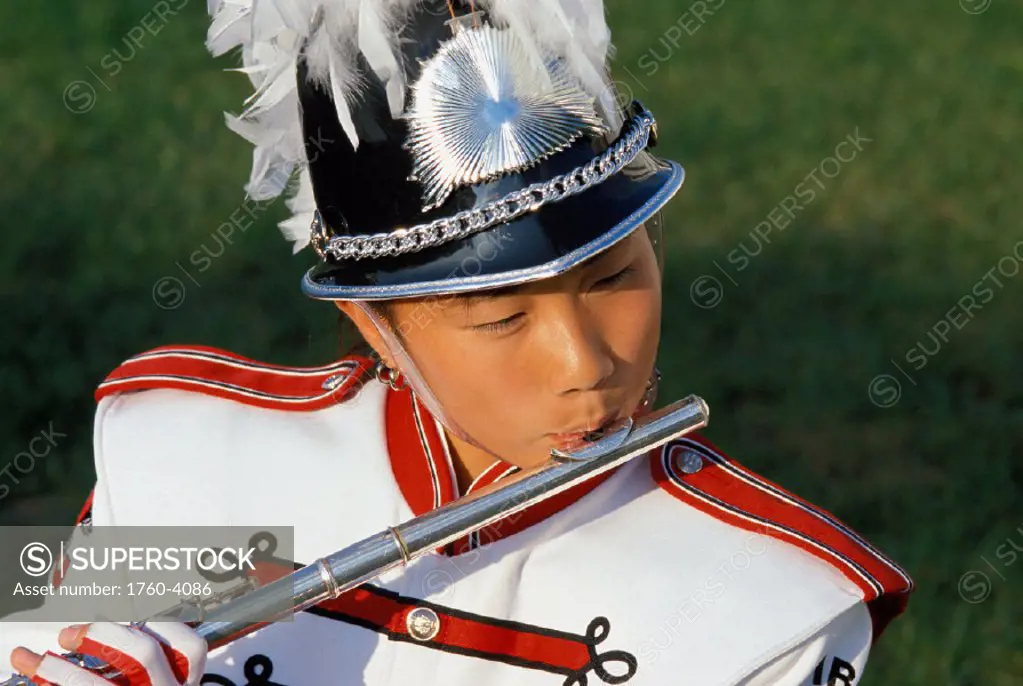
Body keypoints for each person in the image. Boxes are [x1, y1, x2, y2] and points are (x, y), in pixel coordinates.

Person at [1, 1, 914, 684]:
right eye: (501, 318)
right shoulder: (184, 446)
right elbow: (30, 629)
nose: (586, 364)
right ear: (375, 328)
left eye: (614, 279)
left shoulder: (777, 602)